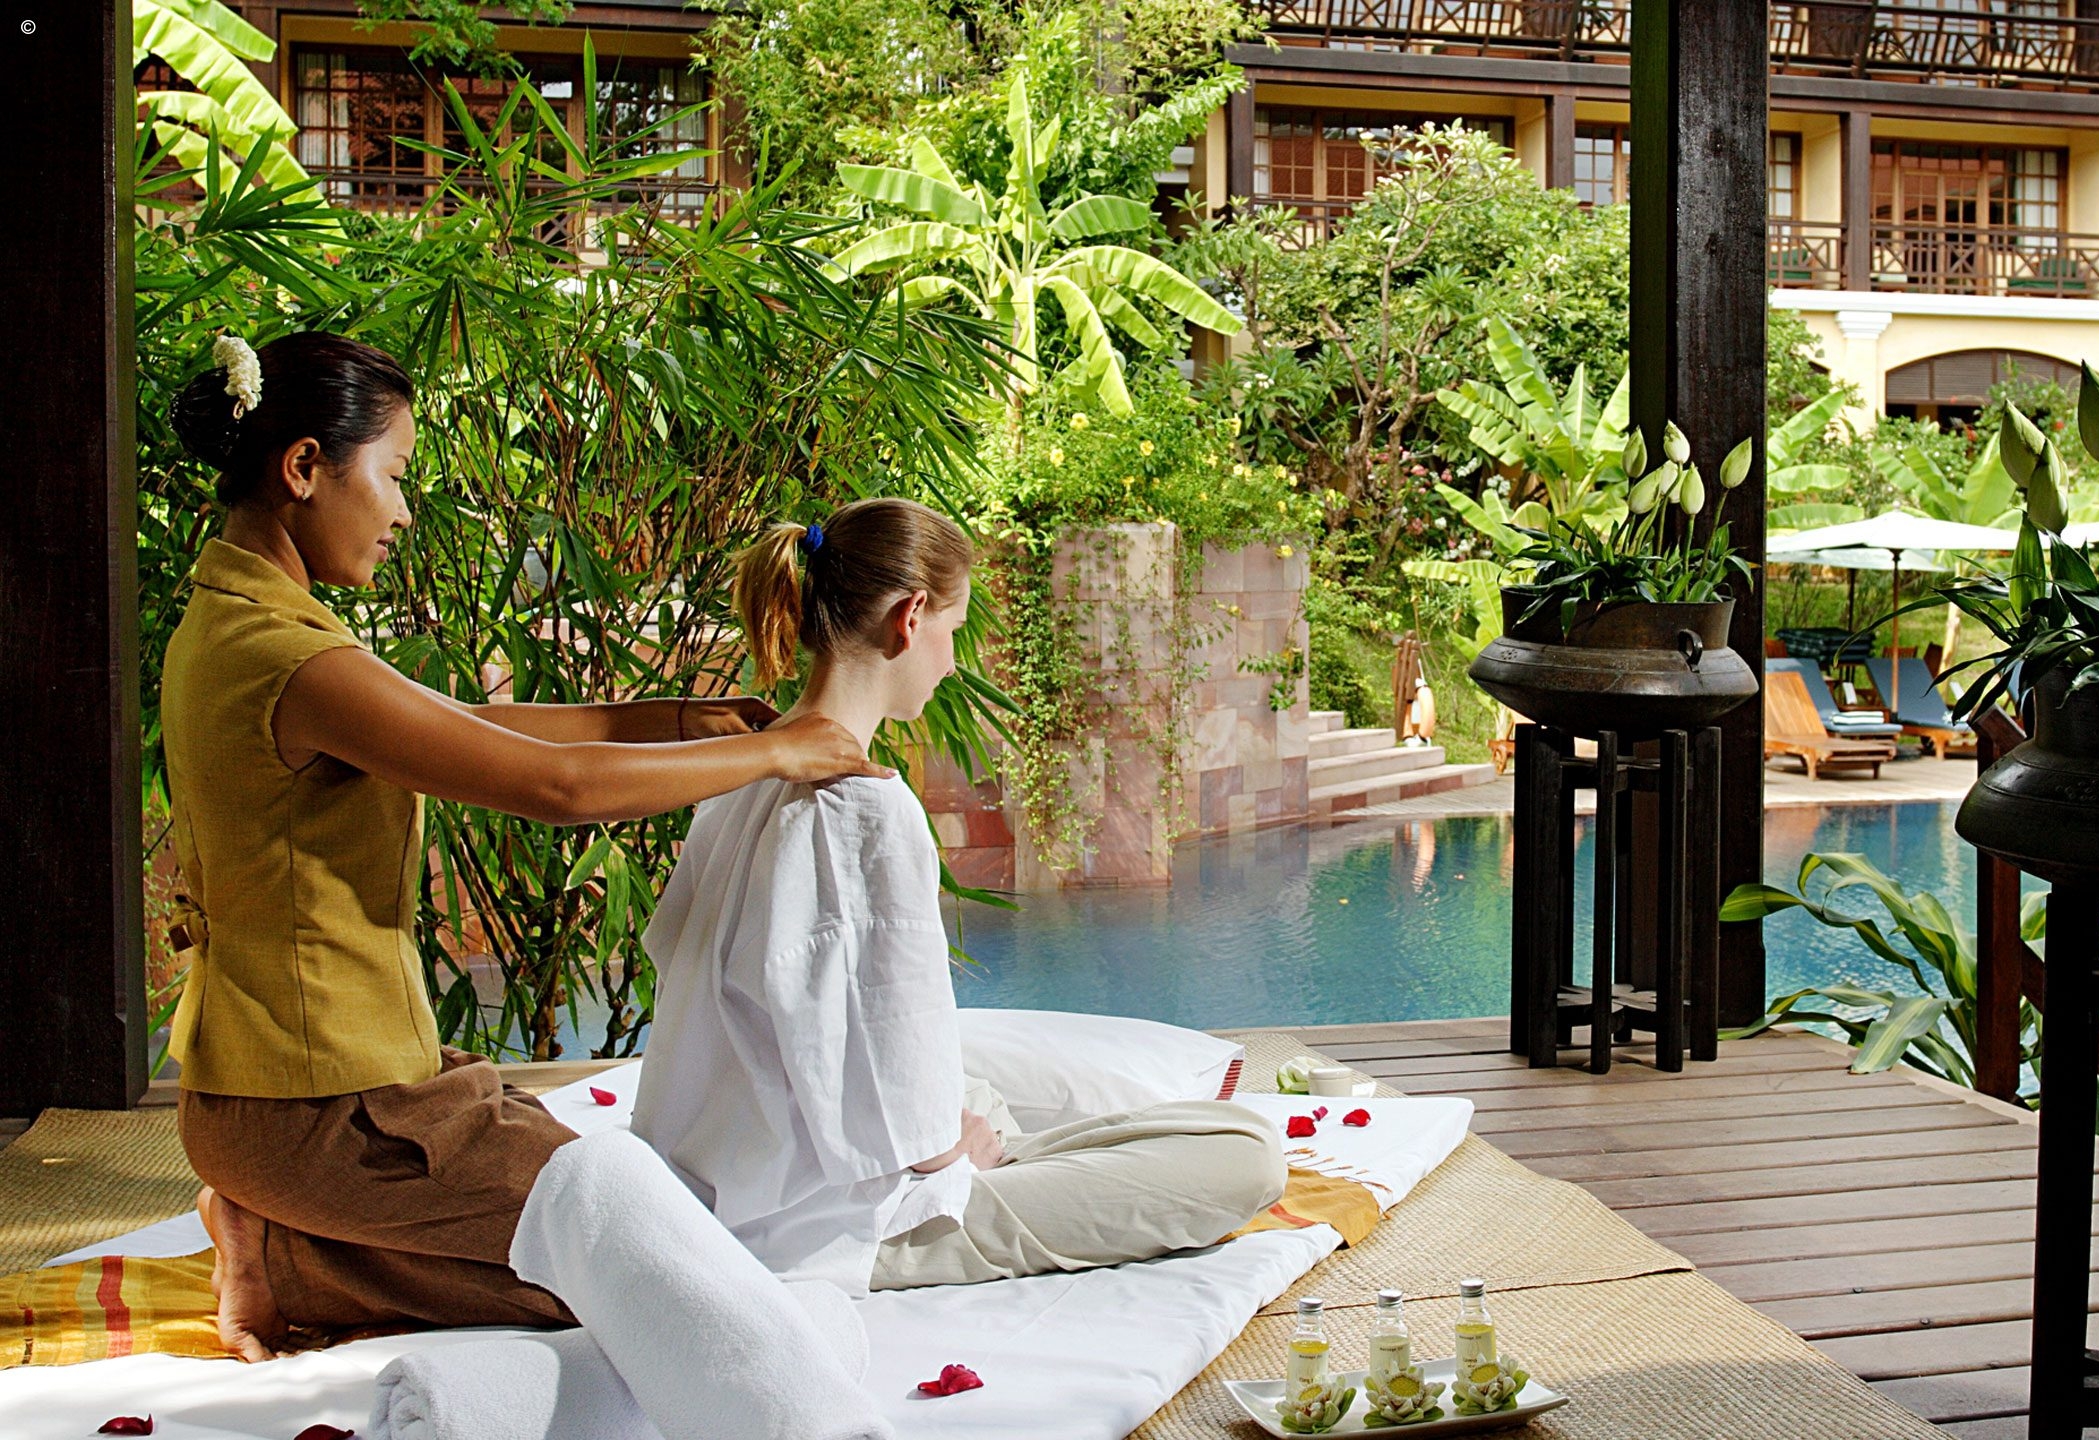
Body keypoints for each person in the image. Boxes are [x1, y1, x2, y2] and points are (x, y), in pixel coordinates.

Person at [160, 332, 889, 1361]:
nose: (404, 512)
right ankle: (286, 1253)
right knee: (664, 1278)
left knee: (626, 1239)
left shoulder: (234, 622)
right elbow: (558, 789)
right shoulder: (290, 657)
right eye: (395, 476)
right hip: (326, 1111)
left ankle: (286, 1234)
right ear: (305, 467)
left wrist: (674, 721)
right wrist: (779, 751)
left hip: (298, 1086)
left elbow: (465, 725)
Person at [632, 497, 1286, 1294]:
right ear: (909, 618)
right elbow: (892, 1050)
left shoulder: (740, 774)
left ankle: (992, 1138)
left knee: (987, 1085)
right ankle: (994, 1148)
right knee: (1243, 1155)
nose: (950, 665)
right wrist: (947, 1154)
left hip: (721, 1177)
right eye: (953, 631)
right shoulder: (866, 807)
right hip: (838, 1225)